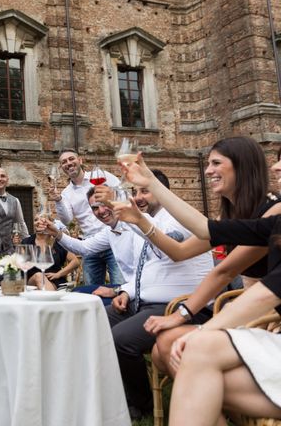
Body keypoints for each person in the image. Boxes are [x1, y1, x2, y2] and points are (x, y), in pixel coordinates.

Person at [118, 154, 281, 425]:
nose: (275, 166)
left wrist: (191, 321)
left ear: (242, 166)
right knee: (189, 364)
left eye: (216, 163)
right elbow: (203, 229)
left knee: (193, 353)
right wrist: (150, 186)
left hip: (263, 319)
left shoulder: (273, 209)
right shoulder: (269, 221)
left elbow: (256, 285)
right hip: (259, 315)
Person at [103, 169, 214, 420]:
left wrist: (138, 222)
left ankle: (140, 404)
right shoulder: (151, 223)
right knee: (99, 319)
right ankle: (116, 392)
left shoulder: (175, 219)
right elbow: (146, 271)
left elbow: (168, 252)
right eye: (135, 192)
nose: (138, 197)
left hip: (182, 306)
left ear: (163, 192)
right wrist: (125, 291)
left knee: (121, 339)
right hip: (145, 303)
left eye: (144, 191)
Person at [49, 148, 123, 285]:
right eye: (64, 162)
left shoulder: (99, 175)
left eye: (71, 159)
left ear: (80, 160)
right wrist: (58, 200)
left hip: (112, 237)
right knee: (91, 289)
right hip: (89, 242)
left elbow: (122, 192)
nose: (68, 163)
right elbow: (67, 220)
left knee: (119, 285)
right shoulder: (66, 193)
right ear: (62, 168)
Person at [20, 214, 78, 290]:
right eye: (36, 220)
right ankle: (52, 300)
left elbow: (75, 261)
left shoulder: (58, 242)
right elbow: (21, 264)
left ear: (50, 224)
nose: (38, 222)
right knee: (39, 276)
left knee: (42, 286)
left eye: (42, 220)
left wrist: (59, 274)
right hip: (32, 280)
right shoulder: (26, 242)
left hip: (55, 281)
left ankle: (49, 298)